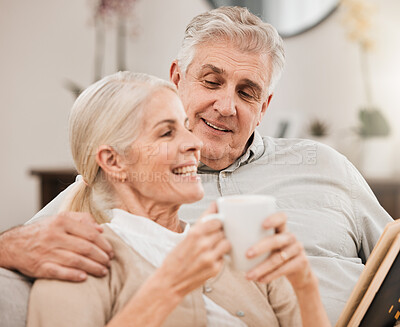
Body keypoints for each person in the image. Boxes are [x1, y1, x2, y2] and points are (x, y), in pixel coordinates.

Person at [0, 6, 393, 325]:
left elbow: (392, 257)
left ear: (264, 108)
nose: (226, 106)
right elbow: (40, 236)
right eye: (211, 81)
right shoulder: (125, 181)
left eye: (246, 92)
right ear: (177, 78)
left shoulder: (326, 165)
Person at [27, 71, 329, 327]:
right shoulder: (77, 259)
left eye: (185, 126)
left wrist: (304, 283)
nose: (194, 143)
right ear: (114, 161)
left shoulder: (236, 245)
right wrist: (170, 285)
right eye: (167, 133)